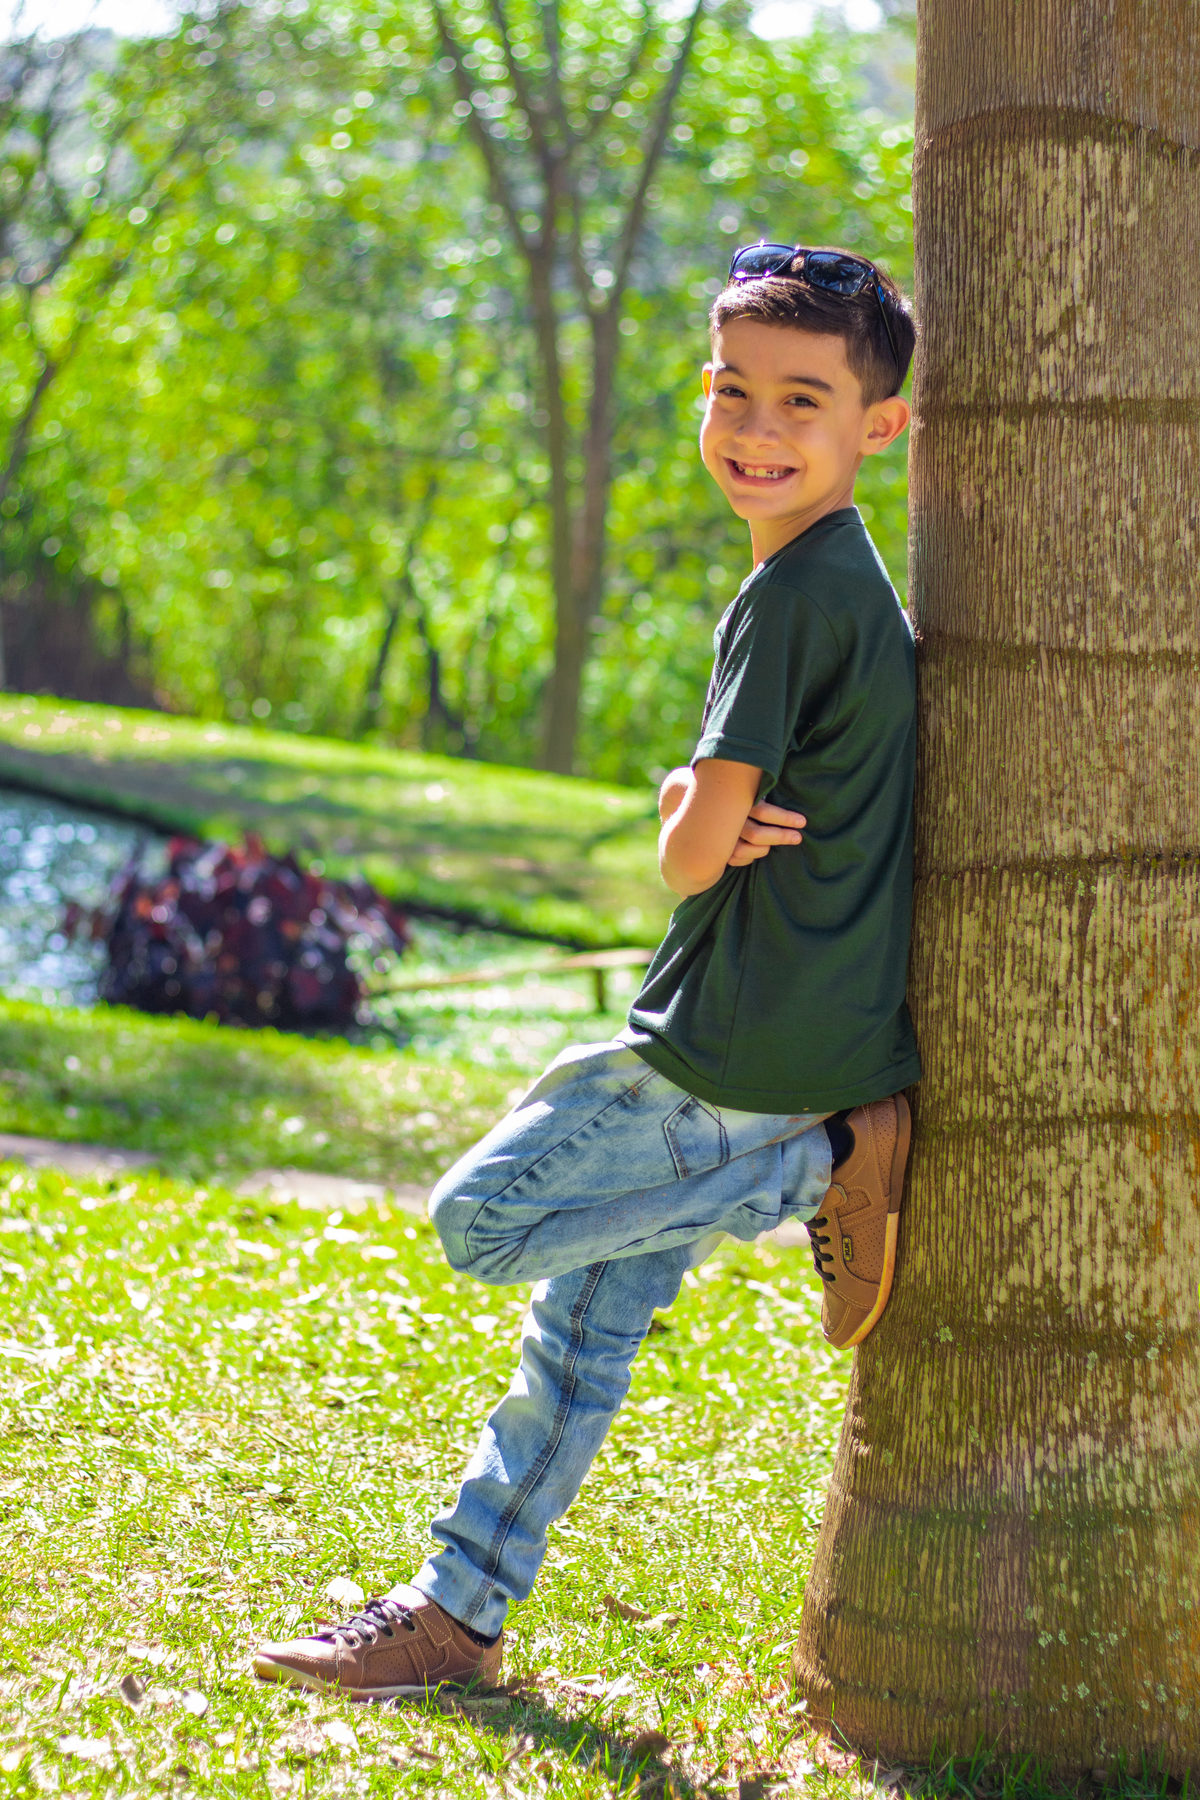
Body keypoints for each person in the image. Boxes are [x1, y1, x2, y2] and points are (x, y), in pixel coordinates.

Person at [252, 241, 921, 1702]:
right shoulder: (843, 584)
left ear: (882, 426)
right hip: (778, 1029)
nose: (756, 428)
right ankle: (458, 1615)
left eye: (803, 401)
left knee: (484, 1221)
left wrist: (689, 799)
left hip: (738, 1054)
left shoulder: (796, 595)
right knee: (579, 1340)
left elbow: (690, 854)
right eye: (734, 390)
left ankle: (816, 1177)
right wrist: (712, 811)